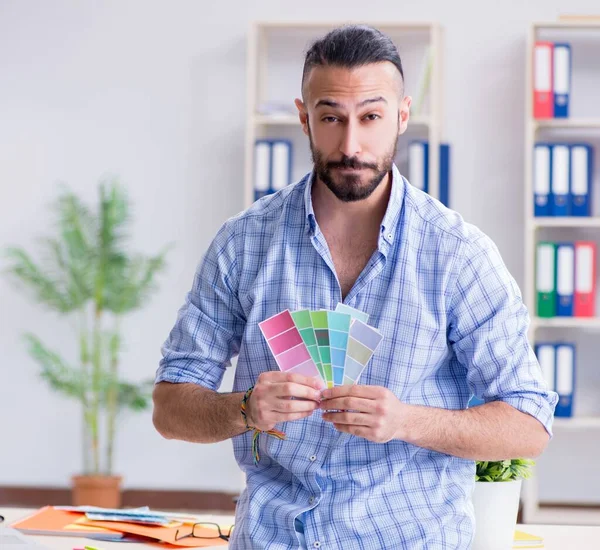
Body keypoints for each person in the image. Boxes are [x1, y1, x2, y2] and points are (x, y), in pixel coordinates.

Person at [152, 24, 558, 550]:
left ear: (402, 116)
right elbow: (170, 407)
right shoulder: (243, 244)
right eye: (331, 118)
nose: (351, 145)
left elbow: (528, 423)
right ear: (304, 117)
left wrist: (406, 421)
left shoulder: (458, 254)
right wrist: (244, 409)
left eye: (370, 117)